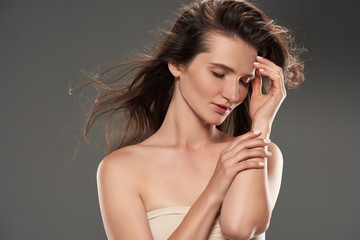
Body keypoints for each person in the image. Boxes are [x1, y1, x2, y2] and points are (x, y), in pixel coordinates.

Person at [71, 0, 305, 239]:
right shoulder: (121, 169)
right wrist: (216, 187)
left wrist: (261, 127)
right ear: (177, 64)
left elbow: (240, 229)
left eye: (244, 81)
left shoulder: (263, 154)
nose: (233, 95)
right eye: (218, 74)